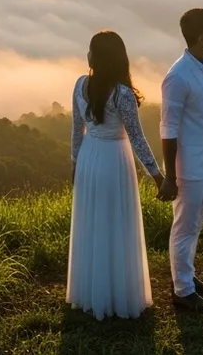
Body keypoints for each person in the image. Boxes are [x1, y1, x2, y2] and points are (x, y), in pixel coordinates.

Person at [67, 30, 165, 320]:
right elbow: (137, 138)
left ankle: (90, 292)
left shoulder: (80, 86)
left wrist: (75, 163)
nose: (87, 55)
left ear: (97, 58)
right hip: (113, 159)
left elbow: (76, 129)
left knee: (92, 223)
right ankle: (118, 292)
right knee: (116, 223)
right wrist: (158, 176)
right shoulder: (122, 94)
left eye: (91, 50)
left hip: (88, 156)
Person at [158, 8, 203, 313]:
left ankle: (187, 276)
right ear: (201, 37)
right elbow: (168, 128)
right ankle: (182, 290)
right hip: (188, 167)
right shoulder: (178, 77)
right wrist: (170, 176)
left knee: (196, 224)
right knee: (184, 226)